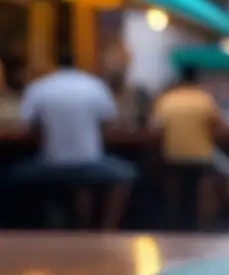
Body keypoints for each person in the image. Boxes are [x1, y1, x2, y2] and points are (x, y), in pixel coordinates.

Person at [10, 51, 136, 229]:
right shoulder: (95, 86)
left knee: (13, 175)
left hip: (50, 163)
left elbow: (28, 125)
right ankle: (107, 227)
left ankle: (26, 227)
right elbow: (110, 123)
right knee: (126, 173)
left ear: (54, 65)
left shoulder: (39, 87)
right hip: (90, 162)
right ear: (77, 64)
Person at [151, 65, 229, 229]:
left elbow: (155, 128)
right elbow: (224, 128)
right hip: (201, 157)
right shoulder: (205, 99)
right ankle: (213, 220)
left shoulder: (166, 99)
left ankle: (176, 220)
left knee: (178, 185)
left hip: (171, 156)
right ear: (197, 80)